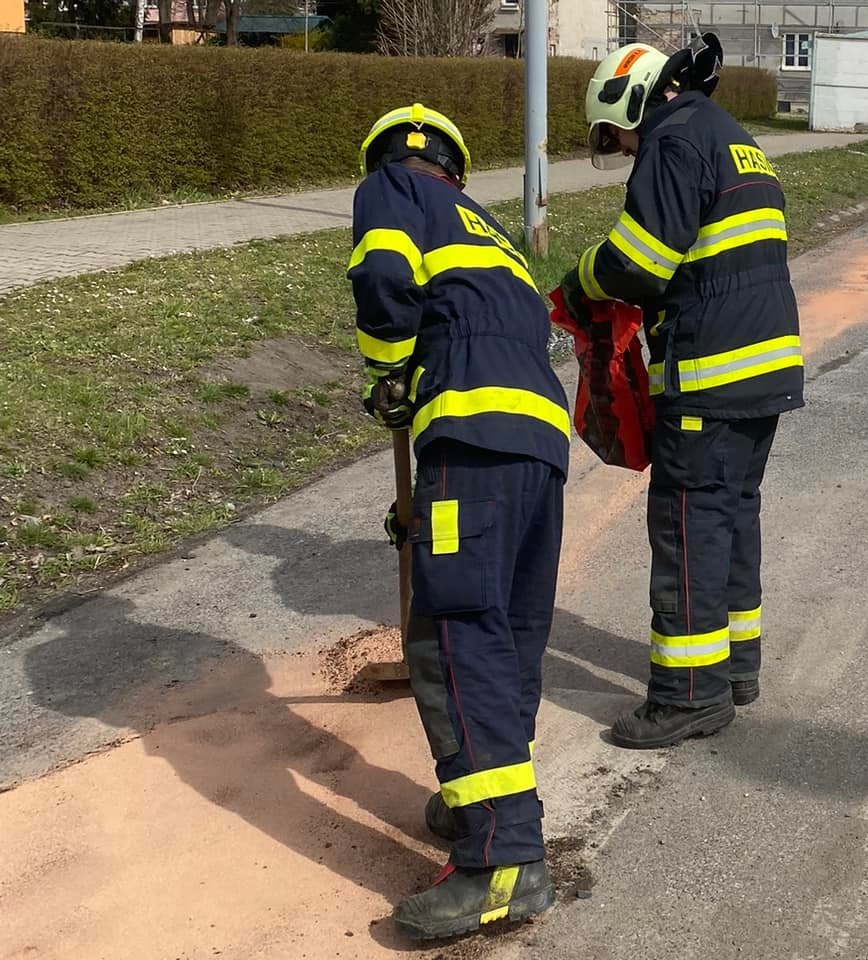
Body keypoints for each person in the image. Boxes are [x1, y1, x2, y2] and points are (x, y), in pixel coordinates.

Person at [349, 103, 570, 940]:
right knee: (507, 635)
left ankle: (501, 862)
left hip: (470, 433)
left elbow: (382, 277)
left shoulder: (391, 186)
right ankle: (483, 800)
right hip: (536, 446)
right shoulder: (492, 236)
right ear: (458, 166)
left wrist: (390, 374)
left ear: (395, 159)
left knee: (454, 635)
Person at [559, 37, 804, 750]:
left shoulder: (673, 142)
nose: (627, 149)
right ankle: (735, 669)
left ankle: (690, 694)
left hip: (712, 375)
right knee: (732, 518)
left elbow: (638, 263)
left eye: (619, 134)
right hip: (767, 371)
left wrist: (579, 282)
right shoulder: (734, 139)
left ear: (633, 102)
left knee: (690, 528)